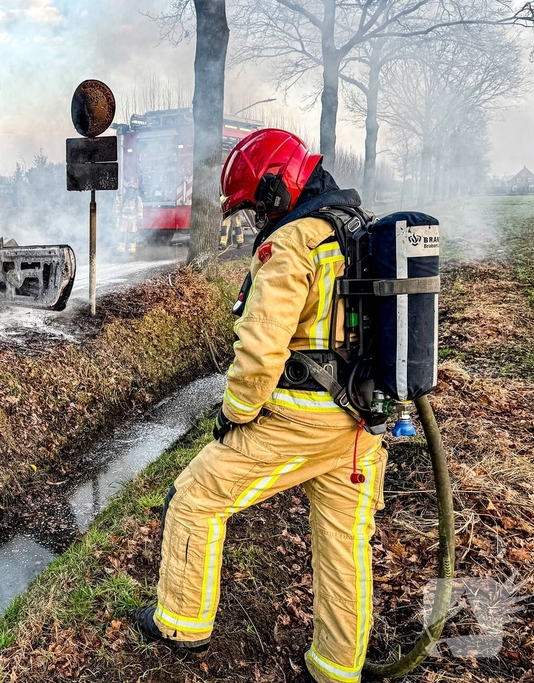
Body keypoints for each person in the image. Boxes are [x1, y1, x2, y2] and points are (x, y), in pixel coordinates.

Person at [132, 129, 387, 683]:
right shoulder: (354, 231)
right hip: (360, 426)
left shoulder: (292, 242)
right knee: (344, 547)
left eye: (252, 206)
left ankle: (180, 622)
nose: (252, 220)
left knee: (196, 497)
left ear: (275, 188)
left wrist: (236, 413)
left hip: (300, 422)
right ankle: (337, 666)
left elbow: (261, 346)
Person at [116, 182, 144, 256]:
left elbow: (140, 209)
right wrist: (117, 217)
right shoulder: (122, 198)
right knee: (122, 234)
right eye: (129, 189)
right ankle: (120, 250)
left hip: (133, 220)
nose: (131, 191)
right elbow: (118, 207)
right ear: (127, 189)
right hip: (123, 219)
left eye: (132, 189)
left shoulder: (138, 199)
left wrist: (140, 218)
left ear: (134, 190)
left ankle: (131, 250)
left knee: (132, 235)